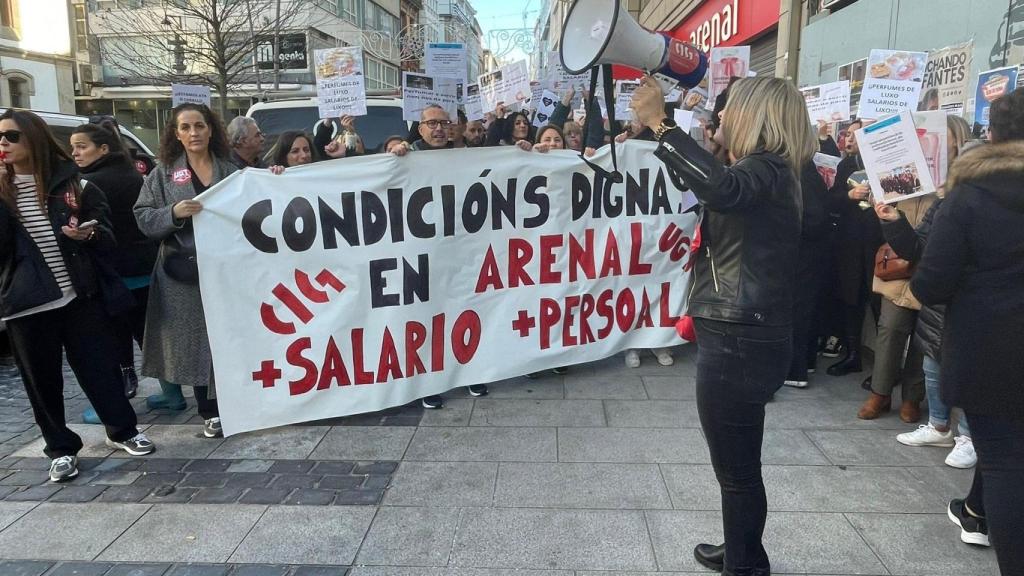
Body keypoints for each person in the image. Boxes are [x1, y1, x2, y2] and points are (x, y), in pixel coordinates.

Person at [632, 75, 815, 576]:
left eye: (730, 109)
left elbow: (721, 189)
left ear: (755, 115)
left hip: (739, 336)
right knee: (736, 467)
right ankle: (742, 553)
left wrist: (662, 124)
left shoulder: (765, 170)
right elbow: (712, 188)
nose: (722, 118)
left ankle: (746, 567)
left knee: (736, 471)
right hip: (746, 332)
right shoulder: (774, 172)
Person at [0, 109, 155, 482]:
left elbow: (106, 231)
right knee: (42, 380)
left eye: (11, 136)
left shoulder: (74, 185)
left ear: (34, 139)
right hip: (26, 303)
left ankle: (122, 430)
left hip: (79, 294)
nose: (2, 143)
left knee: (100, 367)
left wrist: (90, 234)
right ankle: (60, 448)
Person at [910, 89, 1024, 570]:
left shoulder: (968, 198)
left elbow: (931, 283)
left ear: (991, 134)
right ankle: (975, 511)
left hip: (991, 351)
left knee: (1001, 462)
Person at [134, 103, 238, 438]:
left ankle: (236, 402)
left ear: (211, 129)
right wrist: (173, 213)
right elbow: (143, 216)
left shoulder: (232, 168)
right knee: (198, 342)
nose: (193, 133)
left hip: (228, 270)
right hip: (184, 274)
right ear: (176, 134)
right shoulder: (162, 173)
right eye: (185, 128)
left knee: (229, 336)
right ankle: (211, 411)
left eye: (199, 126)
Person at [879, 115, 975, 465]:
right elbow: (918, 248)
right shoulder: (943, 201)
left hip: (972, 299)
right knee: (934, 365)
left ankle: (968, 435)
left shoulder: (983, 201)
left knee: (967, 368)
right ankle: (938, 426)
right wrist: (894, 222)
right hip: (939, 298)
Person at [389, 104, 493, 408]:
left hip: (459, 251)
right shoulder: (406, 156)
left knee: (464, 311)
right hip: (421, 255)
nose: (438, 129)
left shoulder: (462, 156)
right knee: (427, 319)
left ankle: (470, 372)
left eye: (443, 123)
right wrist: (395, 151)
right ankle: (429, 382)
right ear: (419, 128)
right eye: (431, 123)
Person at [70, 123, 158, 407]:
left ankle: (123, 389)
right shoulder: (131, 172)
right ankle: (171, 393)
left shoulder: (89, 182)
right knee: (148, 334)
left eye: (81, 146)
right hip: (144, 266)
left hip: (115, 272)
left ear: (103, 148)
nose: (74, 153)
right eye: (72, 147)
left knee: (115, 337)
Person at [826, 119, 883, 377]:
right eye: (847, 135)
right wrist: (848, 196)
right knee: (851, 299)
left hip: (878, 243)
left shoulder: (885, 162)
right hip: (850, 244)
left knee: (879, 306)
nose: (849, 139)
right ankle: (852, 355)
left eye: (854, 135)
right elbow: (832, 200)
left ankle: (884, 368)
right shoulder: (846, 165)